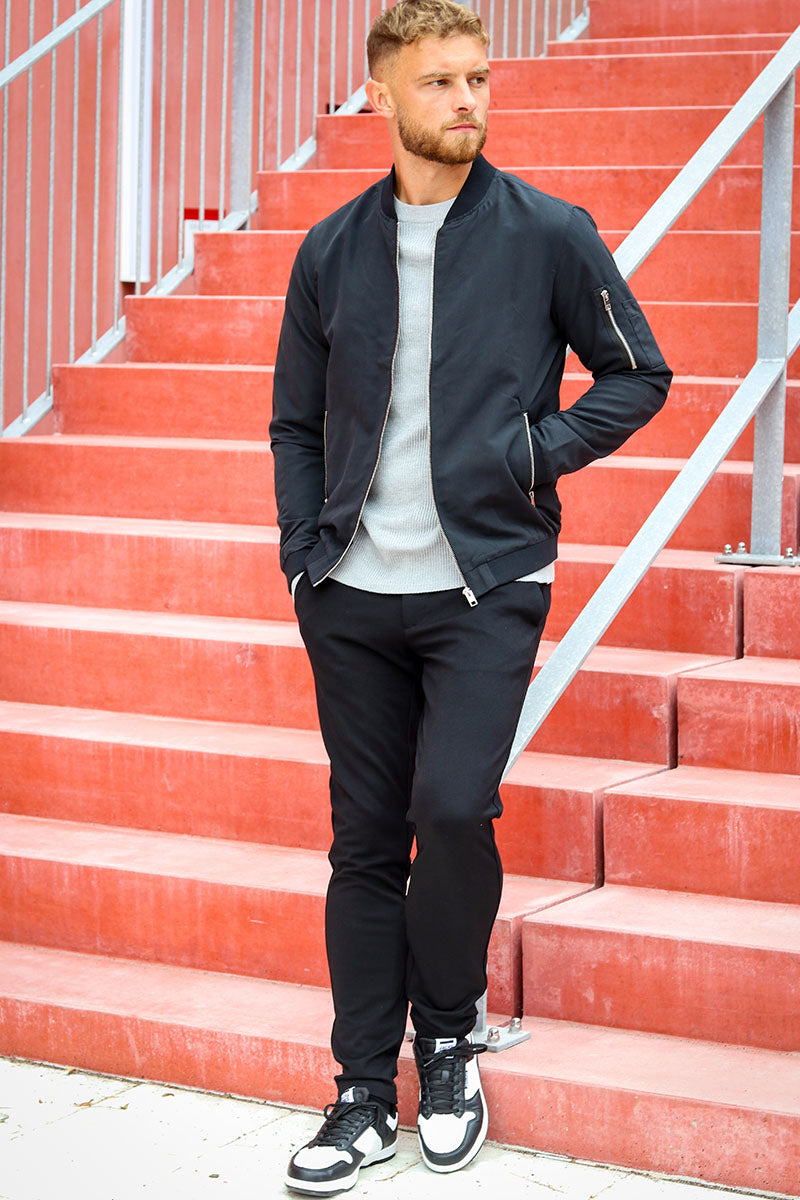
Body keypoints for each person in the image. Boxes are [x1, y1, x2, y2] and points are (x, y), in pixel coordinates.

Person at [270, 0, 671, 1192]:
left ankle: (446, 1047)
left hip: (484, 580)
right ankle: (358, 1092)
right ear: (381, 95)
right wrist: (303, 549)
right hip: (350, 591)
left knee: (449, 809)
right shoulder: (329, 250)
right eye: (438, 81)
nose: (464, 101)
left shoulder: (546, 233)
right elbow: (293, 421)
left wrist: (531, 456)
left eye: (476, 79)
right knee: (361, 836)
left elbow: (636, 373)